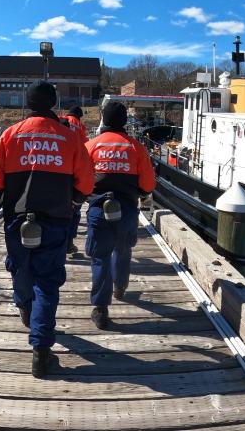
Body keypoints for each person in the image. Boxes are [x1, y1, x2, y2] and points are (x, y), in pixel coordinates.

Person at [0, 80, 94, 377]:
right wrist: (74, 202)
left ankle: (24, 308)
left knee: (20, 268)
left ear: (28, 103)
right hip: (56, 221)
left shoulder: (10, 135)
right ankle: (41, 352)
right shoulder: (69, 138)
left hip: (17, 219)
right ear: (54, 102)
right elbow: (86, 180)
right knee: (46, 282)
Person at [83, 101, 156, 329]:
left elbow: (81, 180)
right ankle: (120, 287)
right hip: (126, 210)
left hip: (98, 208)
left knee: (100, 256)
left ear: (103, 119)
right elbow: (147, 184)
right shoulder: (136, 148)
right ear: (125, 121)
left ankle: (101, 309)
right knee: (123, 250)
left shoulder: (91, 146)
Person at [60, 106, 89, 255]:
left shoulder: (62, 120)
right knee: (74, 209)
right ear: (79, 116)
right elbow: (85, 146)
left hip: (57, 166)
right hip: (74, 167)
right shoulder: (79, 125)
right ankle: (69, 242)